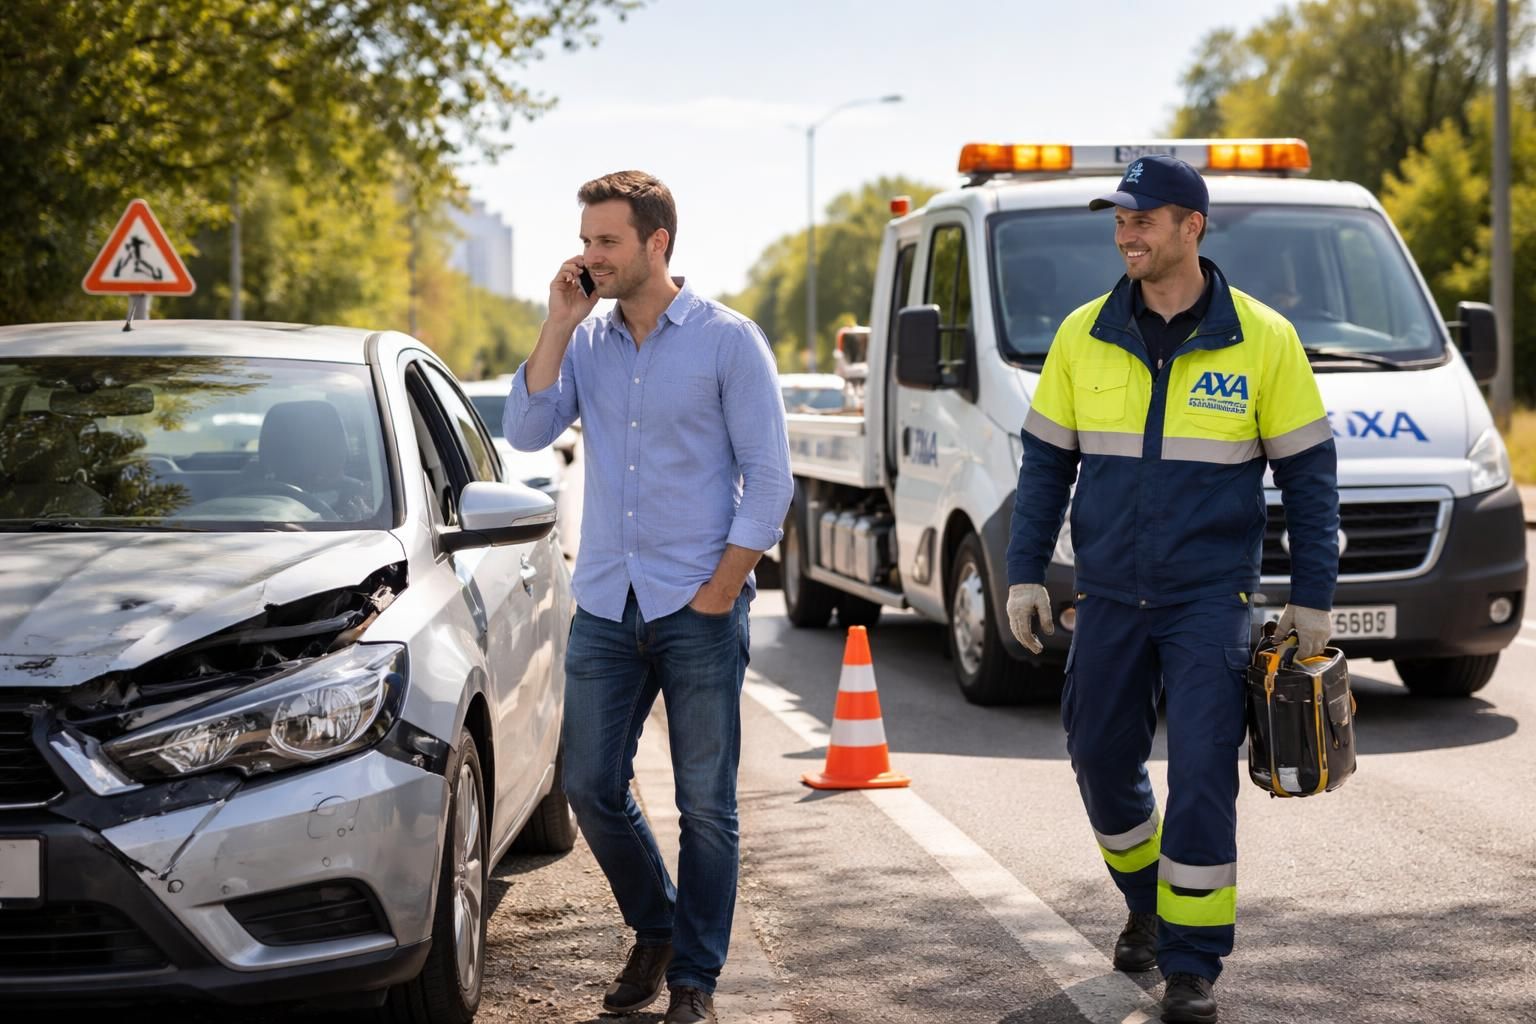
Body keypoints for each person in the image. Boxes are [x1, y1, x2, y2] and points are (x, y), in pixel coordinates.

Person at [1004, 155, 1339, 1023]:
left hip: (1210, 598)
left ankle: (1192, 963)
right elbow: (1045, 468)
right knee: (1098, 756)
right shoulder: (1082, 333)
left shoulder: (1264, 338)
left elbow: (1309, 479)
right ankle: (1148, 903)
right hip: (1110, 592)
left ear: (1192, 226)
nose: (1126, 234)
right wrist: (1023, 573)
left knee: (1200, 773)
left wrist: (1312, 596)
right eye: (1120, 220)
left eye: (1143, 219)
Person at [502, 170, 792, 1024]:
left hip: (697, 604)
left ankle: (695, 979)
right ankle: (657, 926)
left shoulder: (728, 341)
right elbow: (526, 430)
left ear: (655, 243)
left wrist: (721, 591)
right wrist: (558, 322)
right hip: (605, 602)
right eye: (585, 240)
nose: (590, 256)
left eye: (607, 241)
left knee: (707, 806)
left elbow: (769, 480)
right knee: (589, 784)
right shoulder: (585, 341)